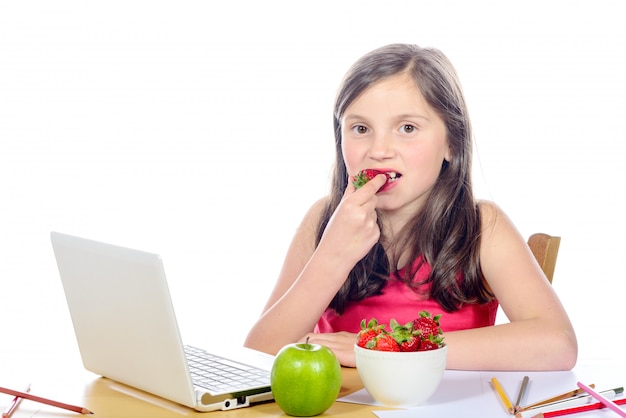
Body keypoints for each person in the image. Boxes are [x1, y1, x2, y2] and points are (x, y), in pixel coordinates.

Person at [244, 43, 577, 370]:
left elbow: (557, 344)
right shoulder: (323, 219)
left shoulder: (481, 226)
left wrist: (387, 349)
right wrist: (331, 258)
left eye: (407, 128)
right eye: (360, 128)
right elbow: (258, 353)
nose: (379, 149)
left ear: (451, 143)